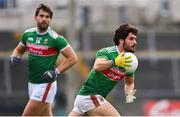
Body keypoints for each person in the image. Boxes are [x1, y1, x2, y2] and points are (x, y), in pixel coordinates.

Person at [10, 3, 78, 116]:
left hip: (46, 84)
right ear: (36, 17)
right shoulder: (27, 34)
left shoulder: (56, 39)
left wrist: (56, 71)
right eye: (41, 16)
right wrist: (14, 57)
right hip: (32, 83)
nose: (44, 19)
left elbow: (73, 58)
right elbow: (18, 50)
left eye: (47, 17)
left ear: (50, 20)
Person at [69, 23, 138, 116]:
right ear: (121, 40)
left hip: (87, 99)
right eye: (131, 39)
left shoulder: (130, 61)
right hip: (90, 95)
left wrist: (129, 94)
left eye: (135, 39)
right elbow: (97, 66)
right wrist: (114, 62)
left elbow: (129, 83)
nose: (134, 42)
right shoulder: (107, 52)